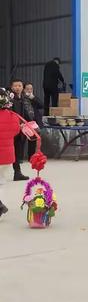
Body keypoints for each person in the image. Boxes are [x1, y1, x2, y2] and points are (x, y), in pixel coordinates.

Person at [0, 88, 21, 217]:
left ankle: (0, 206)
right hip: (7, 156)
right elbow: (16, 131)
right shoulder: (13, 115)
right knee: (1, 181)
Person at [10, 79, 34, 180]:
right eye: (15, 86)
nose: (17, 88)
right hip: (12, 129)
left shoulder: (24, 99)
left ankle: (17, 173)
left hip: (22, 129)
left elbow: (30, 112)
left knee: (18, 151)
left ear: (22, 88)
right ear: (11, 88)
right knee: (11, 151)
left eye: (19, 86)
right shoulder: (9, 100)